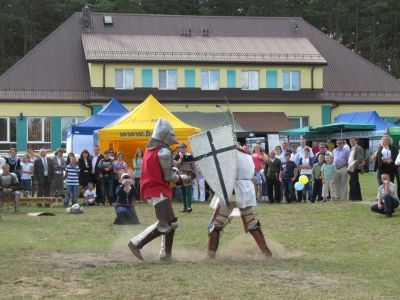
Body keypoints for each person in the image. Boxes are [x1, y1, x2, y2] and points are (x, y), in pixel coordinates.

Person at [128, 118, 191, 261]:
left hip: (156, 188)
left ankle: (165, 254)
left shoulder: (152, 149)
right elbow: (168, 177)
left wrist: (175, 168)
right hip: (156, 189)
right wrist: (183, 178)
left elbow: (164, 168)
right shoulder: (162, 151)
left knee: (172, 223)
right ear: (164, 135)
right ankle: (135, 244)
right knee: (164, 224)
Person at [206, 143, 272, 259]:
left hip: (232, 190)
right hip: (245, 191)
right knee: (252, 222)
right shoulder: (247, 155)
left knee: (216, 223)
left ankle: (211, 255)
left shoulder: (230, 154)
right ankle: (266, 253)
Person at [174, 142, 196, 212]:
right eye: (180, 148)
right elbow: (176, 166)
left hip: (188, 174)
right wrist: (180, 158)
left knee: (188, 191)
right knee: (182, 192)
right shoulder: (177, 156)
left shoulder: (190, 156)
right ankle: (184, 207)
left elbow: (193, 166)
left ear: (185, 148)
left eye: (183, 147)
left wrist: (195, 175)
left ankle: (189, 207)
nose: (182, 149)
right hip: (180, 175)